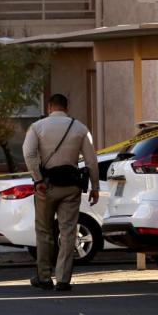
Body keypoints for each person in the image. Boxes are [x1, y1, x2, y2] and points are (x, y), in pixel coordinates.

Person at [22, 93, 99, 292]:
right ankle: (63, 280)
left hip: (45, 187)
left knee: (44, 231)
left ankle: (44, 277)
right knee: (68, 232)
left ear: (49, 107)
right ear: (67, 107)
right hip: (71, 187)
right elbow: (91, 161)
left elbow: (29, 153)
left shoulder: (37, 127)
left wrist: (38, 179)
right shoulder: (80, 128)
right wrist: (95, 186)